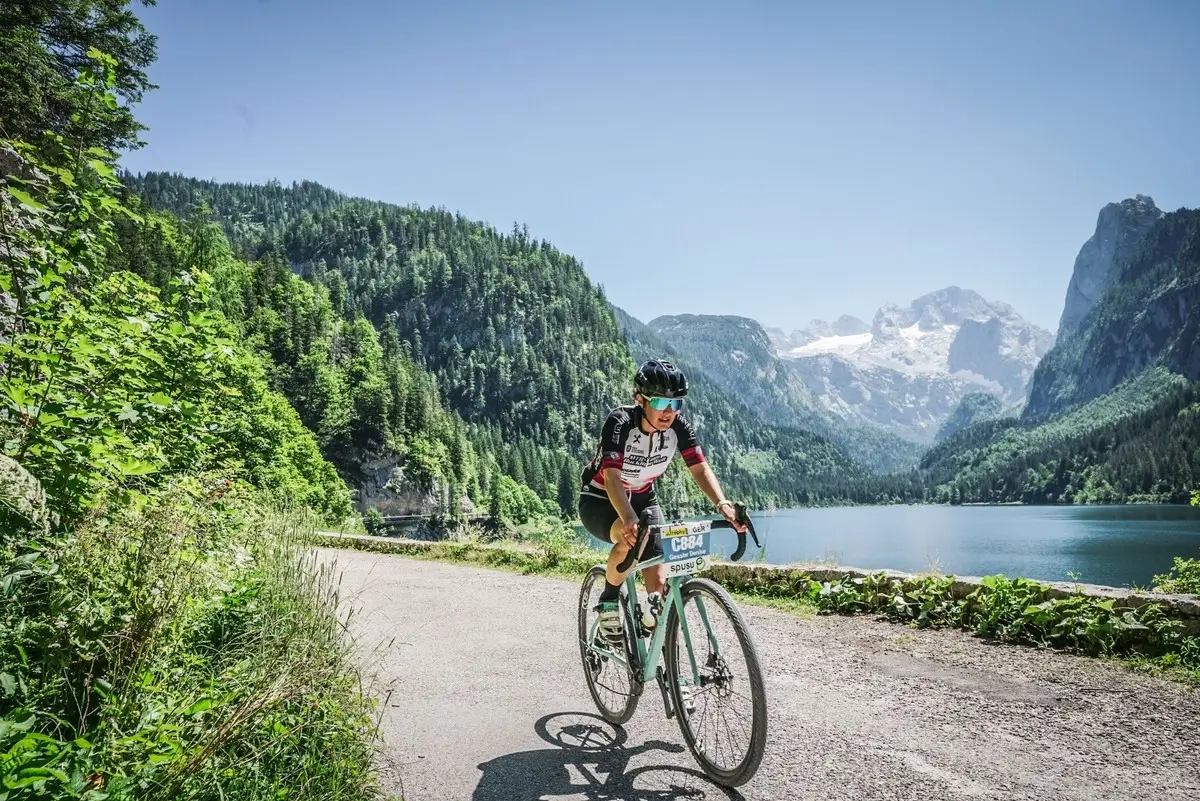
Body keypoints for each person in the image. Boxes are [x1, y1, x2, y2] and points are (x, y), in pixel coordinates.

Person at [578, 358, 747, 641]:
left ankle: (651, 630)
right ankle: (608, 600)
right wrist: (628, 517)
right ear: (640, 399)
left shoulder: (678, 426)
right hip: (601, 499)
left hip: (644, 498)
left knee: (657, 585)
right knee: (630, 540)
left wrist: (723, 505)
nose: (668, 412)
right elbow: (611, 477)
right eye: (660, 403)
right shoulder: (620, 422)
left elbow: (699, 467)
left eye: (675, 403)